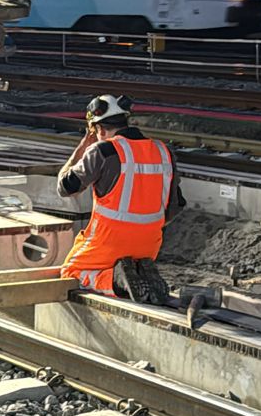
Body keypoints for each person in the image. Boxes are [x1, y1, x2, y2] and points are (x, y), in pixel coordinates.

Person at [56, 93, 184, 301]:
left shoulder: (102, 150)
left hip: (108, 242)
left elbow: (65, 187)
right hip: (149, 245)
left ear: (98, 129)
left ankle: (116, 280)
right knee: (129, 263)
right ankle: (139, 273)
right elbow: (175, 205)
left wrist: (83, 147)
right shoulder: (164, 151)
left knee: (71, 273)